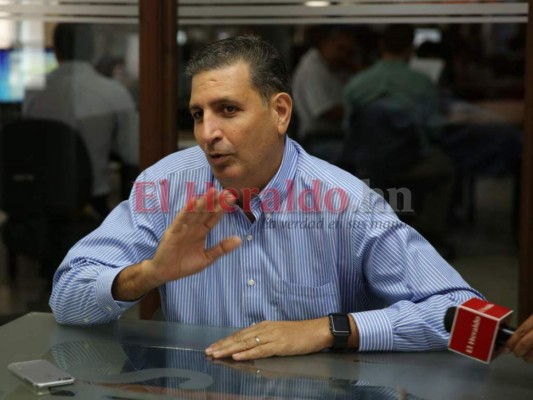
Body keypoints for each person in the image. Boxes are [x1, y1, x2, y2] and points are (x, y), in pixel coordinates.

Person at [50, 35, 482, 361]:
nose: (207, 133)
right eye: (198, 114)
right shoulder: (166, 186)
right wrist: (147, 275)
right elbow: (67, 297)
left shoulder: (346, 202)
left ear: (280, 112)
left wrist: (329, 329)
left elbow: (464, 314)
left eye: (228, 110)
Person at [343, 25, 454, 247]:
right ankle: (430, 234)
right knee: (445, 168)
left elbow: (349, 130)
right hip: (411, 162)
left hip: (366, 162)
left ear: (381, 46)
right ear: (410, 49)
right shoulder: (422, 83)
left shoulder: (356, 84)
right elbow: (435, 130)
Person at [23, 23, 139, 218]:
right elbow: (132, 154)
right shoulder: (114, 92)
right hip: (93, 206)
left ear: (56, 51)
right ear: (93, 51)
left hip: (40, 206)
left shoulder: (33, 92)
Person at [292, 26, 357, 141]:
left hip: (337, 136)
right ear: (325, 44)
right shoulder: (312, 69)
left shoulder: (337, 67)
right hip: (319, 138)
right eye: (340, 48)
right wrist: (358, 110)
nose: (343, 55)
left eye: (349, 52)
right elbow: (325, 111)